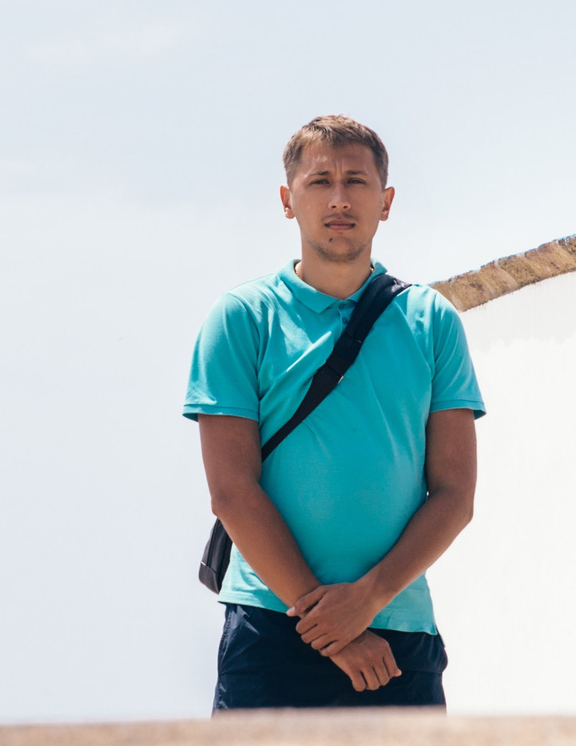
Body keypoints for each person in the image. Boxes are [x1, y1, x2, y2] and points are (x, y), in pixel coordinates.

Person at [184, 115, 484, 710]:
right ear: (287, 200)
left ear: (387, 201)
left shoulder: (433, 322)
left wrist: (367, 600)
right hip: (270, 628)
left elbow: (454, 493)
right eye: (319, 181)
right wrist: (334, 628)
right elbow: (232, 491)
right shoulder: (241, 317)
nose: (340, 199)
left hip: (398, 631)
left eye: (357, 181)